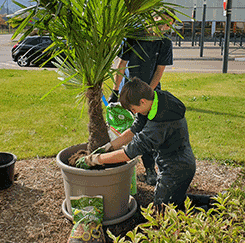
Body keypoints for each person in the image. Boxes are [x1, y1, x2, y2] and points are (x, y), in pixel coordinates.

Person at [82, 77, 196, 211]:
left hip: (176, 169)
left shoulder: (159, 123)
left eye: (133, 109)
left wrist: (96, 159)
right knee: (177, 201)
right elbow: (134, 130)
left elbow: (129, 153)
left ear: (142, 101)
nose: (134, 113)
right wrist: (109, 146)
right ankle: (213, 202)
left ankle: (213, 206)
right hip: (175, 161)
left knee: (161, 210)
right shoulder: (155, 100)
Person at [108, 12, 174, 185]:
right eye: (163, 20)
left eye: (170, 24)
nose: (166, 26)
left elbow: (159, 71)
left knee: (145, 131)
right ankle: (117, 161)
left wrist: (147, 94)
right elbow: (121, 64)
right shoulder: (133, 36)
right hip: (128, 90)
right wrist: (115, 91)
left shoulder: (165, 43)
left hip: (150, 92)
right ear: (154, 17)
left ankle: (150, 168)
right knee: (122, 126)